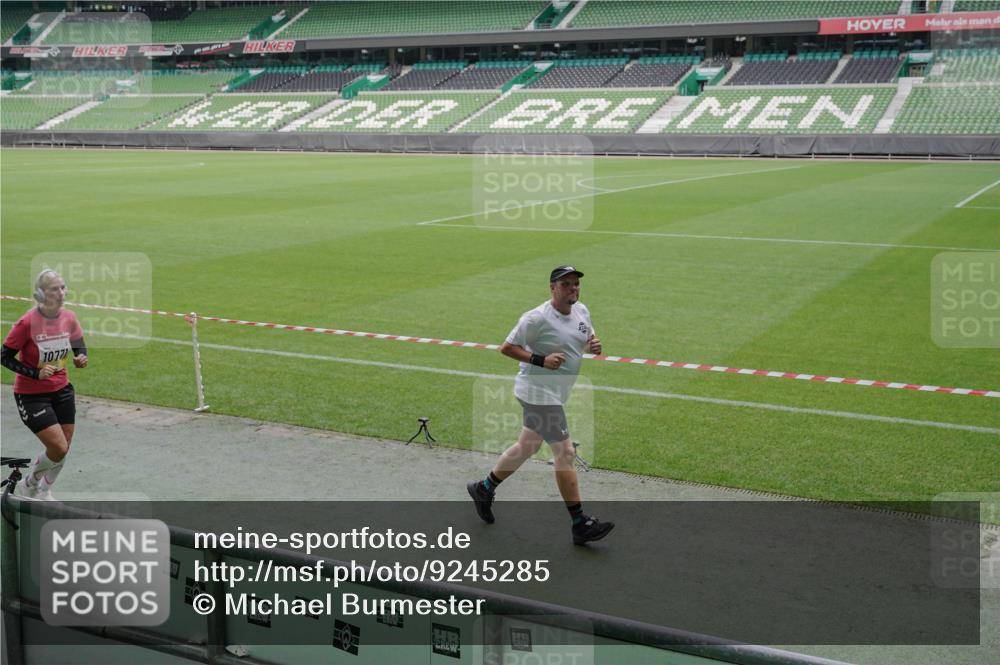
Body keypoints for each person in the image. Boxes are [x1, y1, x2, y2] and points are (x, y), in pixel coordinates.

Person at [468, 265, 614, 546]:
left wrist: (592, 347)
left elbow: (580, 342)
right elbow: (507, 347)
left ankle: (484, 488)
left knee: (528, 446)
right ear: (552, 288)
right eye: (567, 284)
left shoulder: (582, 311)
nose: (573, 288)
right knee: (565, 452)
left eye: (576, 284)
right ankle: (579, 522)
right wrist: (540, 360)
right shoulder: (535, 318)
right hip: (537, 392)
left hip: (556, 392)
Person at [2, 269, 88, 501]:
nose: (61, 293)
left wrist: (81, 357)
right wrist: (35, 373)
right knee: (58, 447)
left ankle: (43, 489)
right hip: (32, 395)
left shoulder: (69, 317)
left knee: (64, 448)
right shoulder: (27, 322)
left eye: (62, 287)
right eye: (54, 289)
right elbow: (4, 357)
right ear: (41, 293)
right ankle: (30, 483)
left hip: (62, 390)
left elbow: (78, 343)